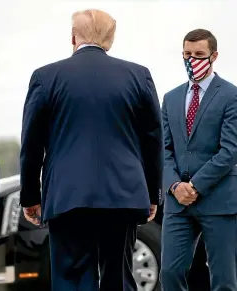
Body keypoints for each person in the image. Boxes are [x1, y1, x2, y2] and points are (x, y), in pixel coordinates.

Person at [19, 9, 163, 291]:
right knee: (118, 278)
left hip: (67, 195)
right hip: (123, 195)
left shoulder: (45, 77)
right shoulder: (138, 75)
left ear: (73, 37)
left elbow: (31, 144)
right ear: (110, 39)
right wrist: (152, 191)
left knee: (71, 278)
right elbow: (152, 140)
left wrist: (30, 196)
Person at [160, 29, 237, 291]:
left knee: (223, 280)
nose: (192, 60)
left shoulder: (233, 96)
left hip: (219, 200)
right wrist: (175, 186)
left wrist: (195, 186)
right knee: (170, 272)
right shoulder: (171, 98)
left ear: (214, 56)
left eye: (199, 54)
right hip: (178, 203)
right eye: (187, 54)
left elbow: (232, 150)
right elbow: (163, 149)